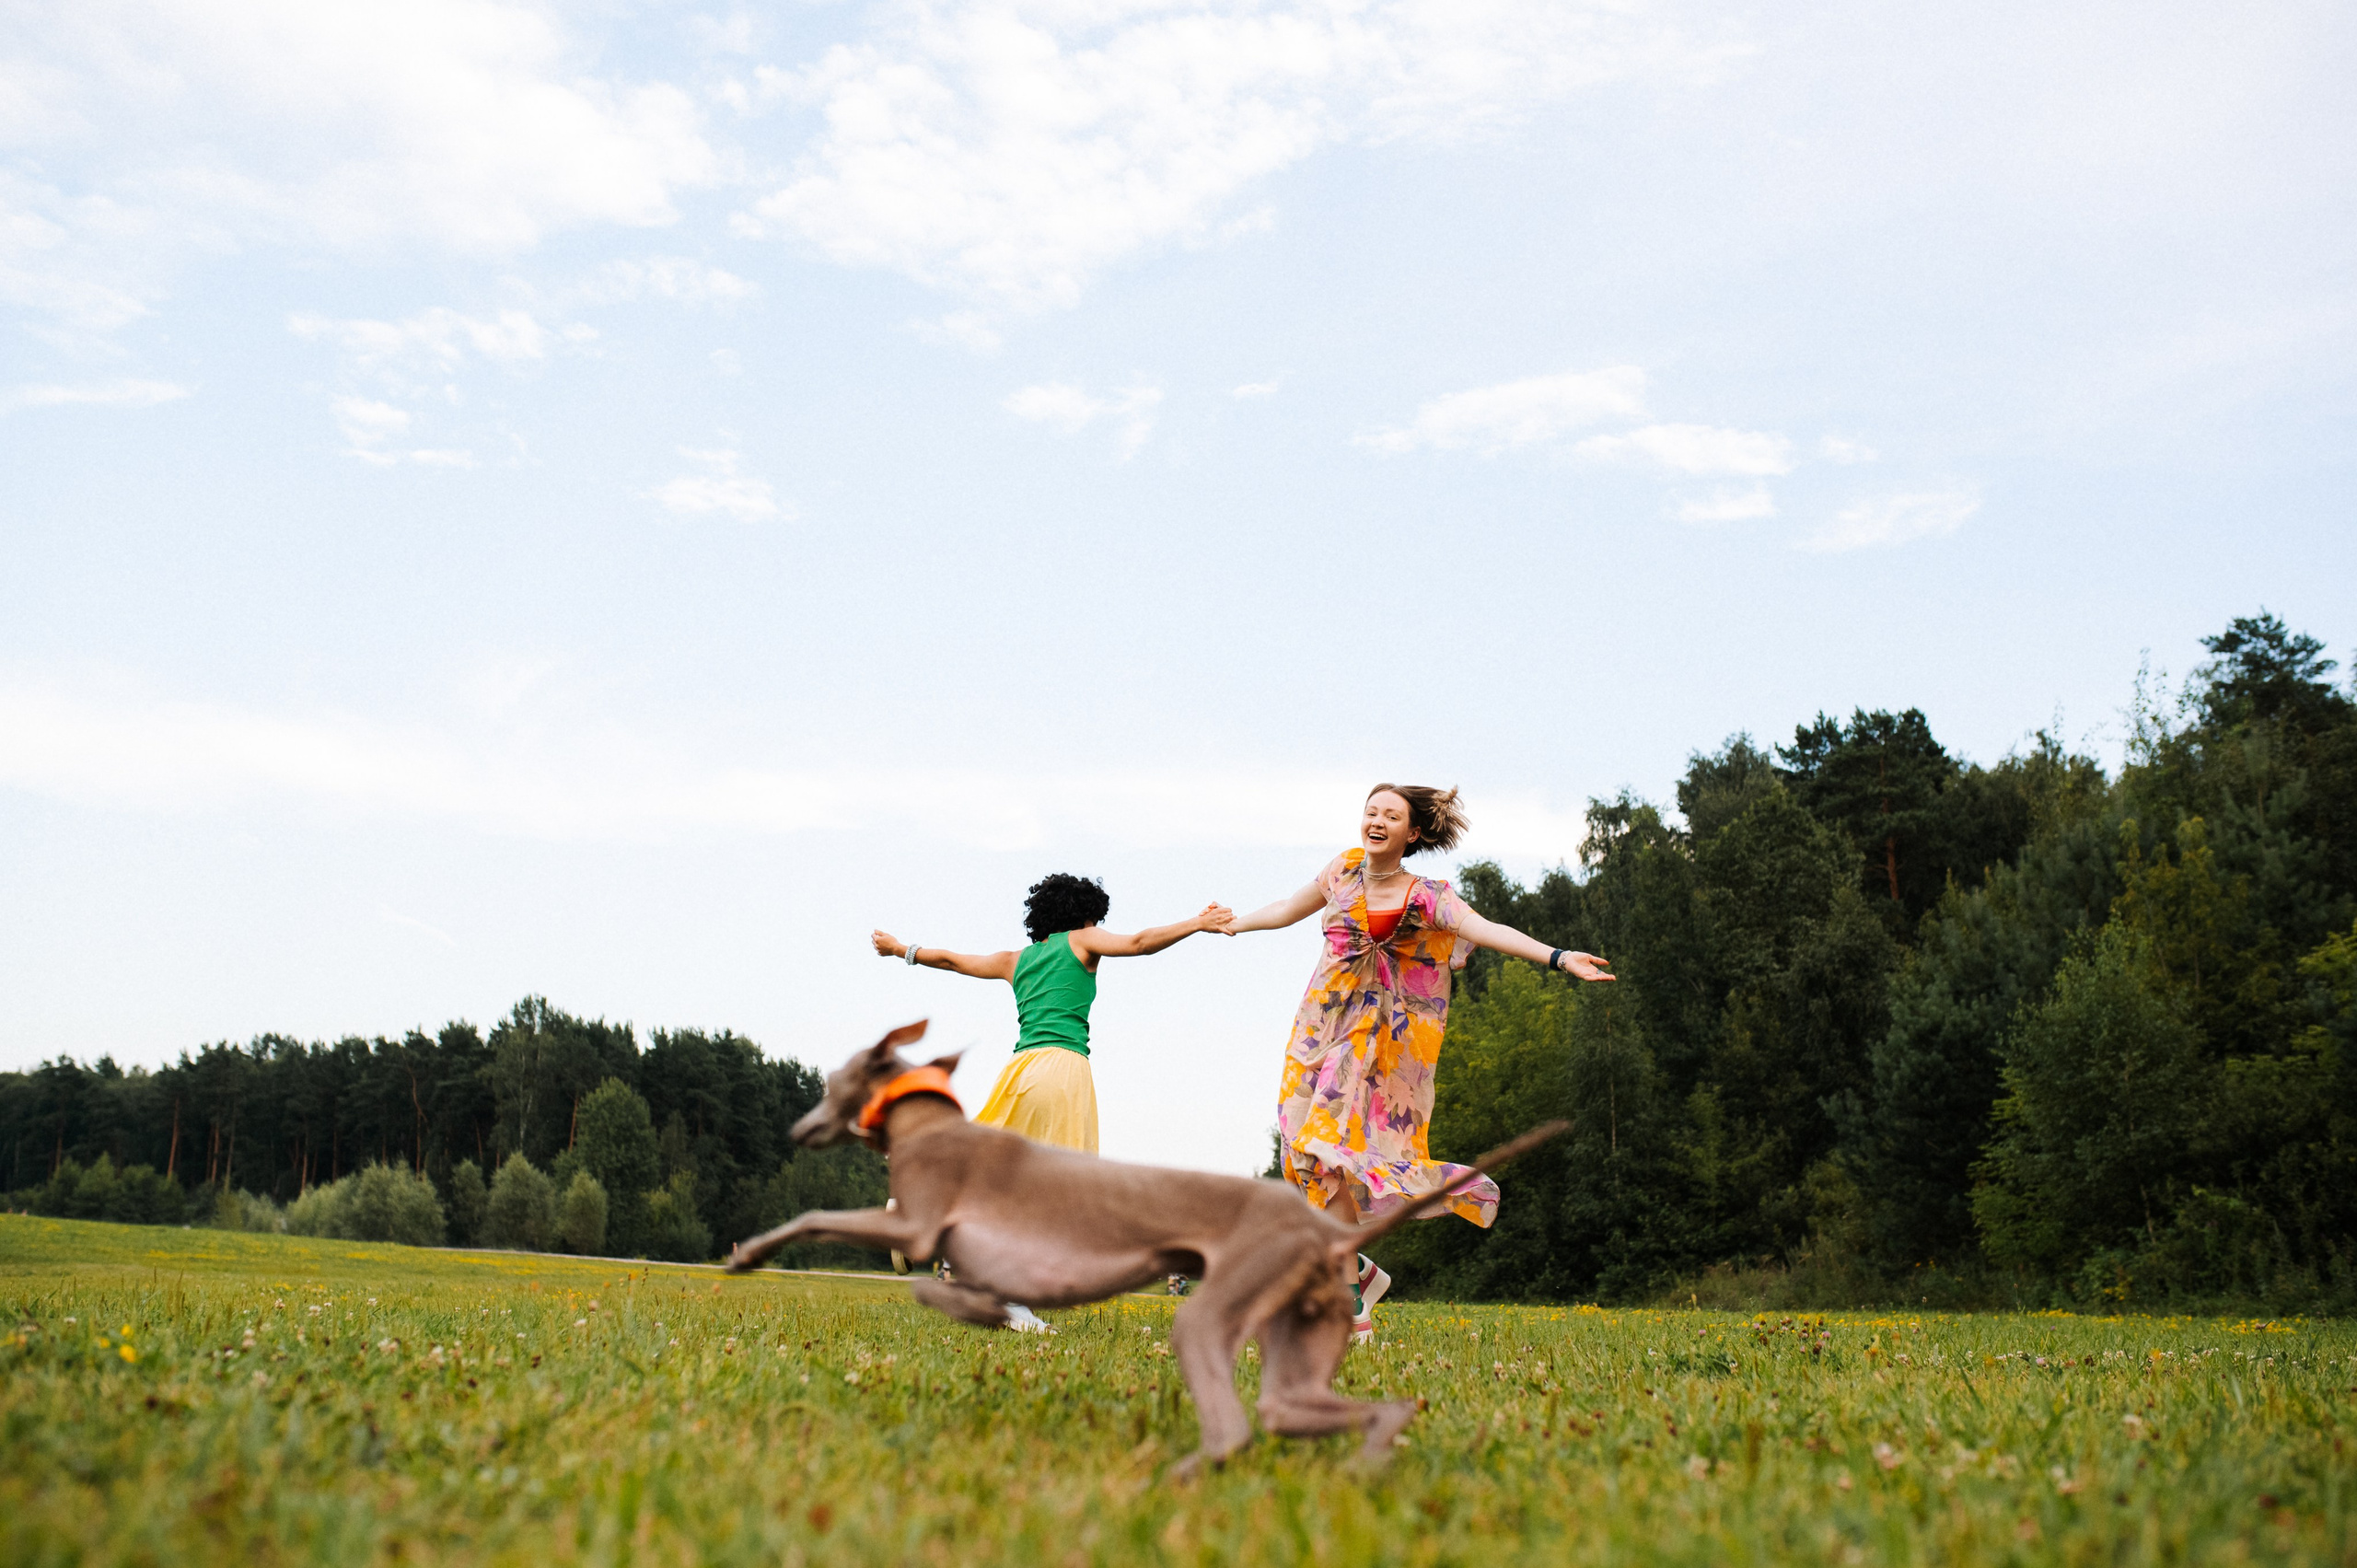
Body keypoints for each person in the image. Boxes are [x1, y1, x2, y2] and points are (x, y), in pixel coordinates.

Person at [1217, 784, 1613, 1342]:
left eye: (1391, 815)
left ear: (1414, 833)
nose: (1376, 821)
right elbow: (1288, 909)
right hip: (1317, 1029)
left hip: (1376, 1044)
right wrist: (1237, 924)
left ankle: (1351, 1303)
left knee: (1326, 1147)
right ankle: (1359, 1270)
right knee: (1301, 1156)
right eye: (1370, 811)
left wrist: (1558, 956)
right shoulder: (1342, 872)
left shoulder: (1428, 896)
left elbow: (1485, 931)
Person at [874, 874, 1228, 1318]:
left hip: (1020, 1070)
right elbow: (1139, 942)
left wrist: (900, 949)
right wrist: (1197, 923)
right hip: (1063, 1071)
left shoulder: (1016, 959)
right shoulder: (1082, 940)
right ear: (1084, 913)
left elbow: (951, 961)